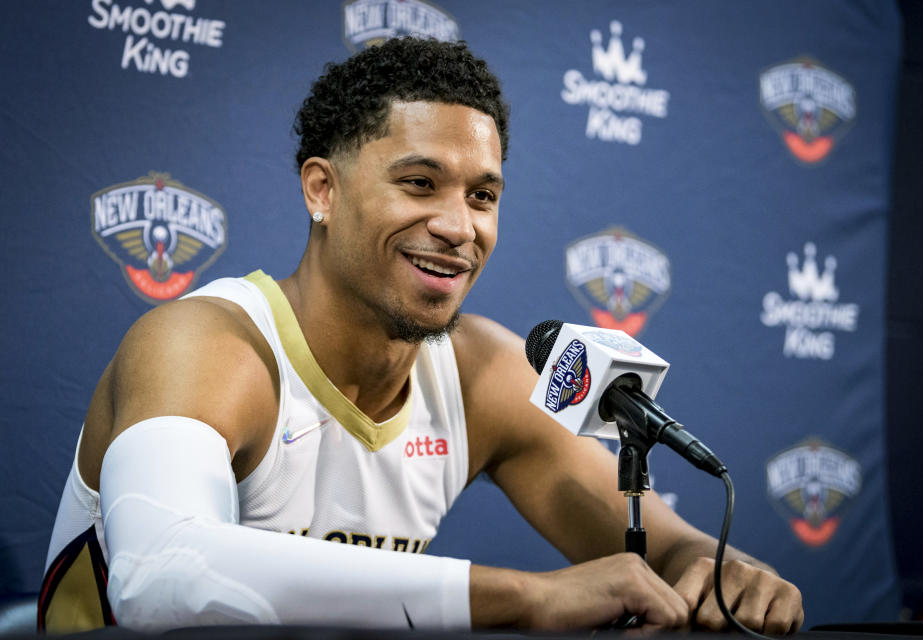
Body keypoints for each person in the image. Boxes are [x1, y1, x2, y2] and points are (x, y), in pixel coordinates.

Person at [39, 37, 803, 634]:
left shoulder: (482, 376)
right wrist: (523, 598)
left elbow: (668, 550)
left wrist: (717, 568)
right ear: (322, 190)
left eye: (483, 195)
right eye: (419, 183)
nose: (456, 226)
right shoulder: (209, 344)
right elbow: (158, 574)